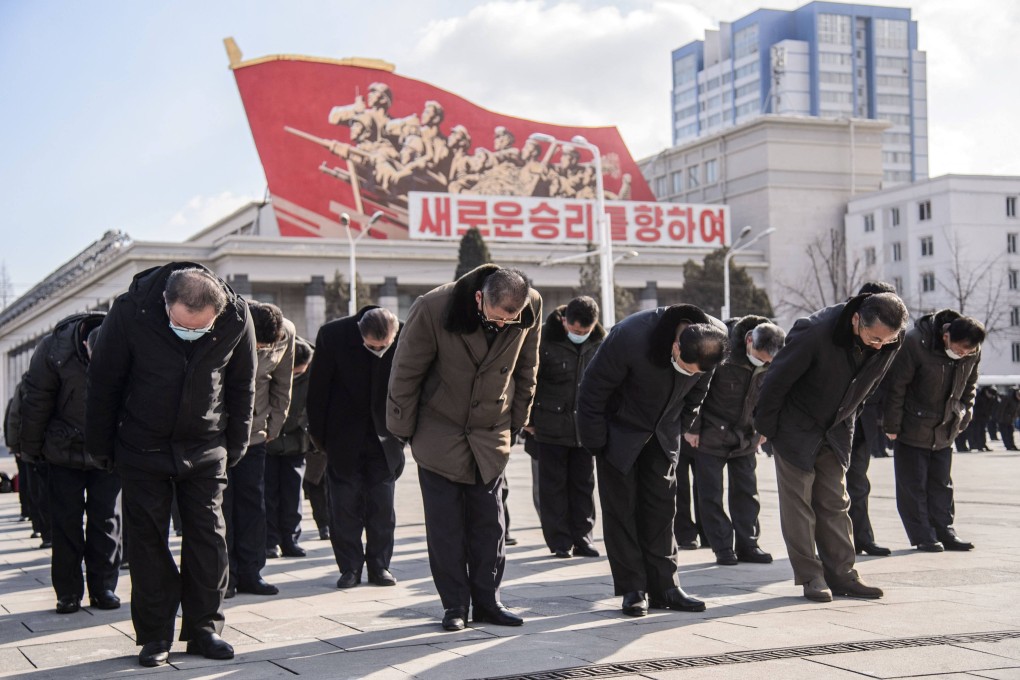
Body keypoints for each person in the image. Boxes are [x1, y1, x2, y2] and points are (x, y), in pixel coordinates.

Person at [86, 263, 256, 667]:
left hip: (205, 445)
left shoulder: (236, 316)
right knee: (146, 542)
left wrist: (235, 445)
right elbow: (104, 381)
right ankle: (155, 634)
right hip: (142, 445)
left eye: (200, 329)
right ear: (166, 305)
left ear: (217, 311)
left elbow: (242, 382)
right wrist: (101, 446)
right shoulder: (130, 312)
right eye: (182, 326)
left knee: (209, 538)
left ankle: (204, 628)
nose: (190, 334)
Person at [387, 265, 541, 631]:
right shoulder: (433, 307)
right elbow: (406, 371)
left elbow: (528, 367)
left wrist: (517, 420)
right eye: (497, 317)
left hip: (491, 432)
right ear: (479, 298)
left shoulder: (531, 306)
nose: (504, 325)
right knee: (446, 528)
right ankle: (455, 605)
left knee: (491, 525)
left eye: (512, 319)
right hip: (440, 431)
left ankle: (489, 601)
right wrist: (403, 431)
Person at [755, 292, 907, 603]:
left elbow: (871, 382)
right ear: (856, 320)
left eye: (886, 341)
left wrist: (850, 416)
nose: (879, 345)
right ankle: (811, 576)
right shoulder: (813, 331)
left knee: (836, 502)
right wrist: (769, 430)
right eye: (874, 337)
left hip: (837, 427)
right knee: (799, 506)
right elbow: (776, 380)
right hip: (795, 426)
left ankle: (844, 574)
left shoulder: (891, 339)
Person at [578, 304, 728, 617]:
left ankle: (666, 587)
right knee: (622, 512)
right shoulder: (631, 336)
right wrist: (597, 444)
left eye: (696, 371)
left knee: (662, 511)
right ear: (675, 346)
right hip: (618, 433)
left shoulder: (713, 340)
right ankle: (633, 589)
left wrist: (679, 430)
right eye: (685, 366)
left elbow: (697, 396)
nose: (691, 374)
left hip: (664, 436)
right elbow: (592, 390)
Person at [19, 313, 121, 615]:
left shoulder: (123, 344)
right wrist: (31, 451)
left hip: (108, 451)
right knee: (65, 523)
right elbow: (35, 401)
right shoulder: (53, 349)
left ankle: (103, 588)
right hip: (62, 450)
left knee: (107, 522)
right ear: (85, 347)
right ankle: (68, 593)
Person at [308, 307, 405, 589]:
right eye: (371, 347)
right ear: (359, 334)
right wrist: (320, 438)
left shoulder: (405, 334)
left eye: (383, 347)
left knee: (382, 506)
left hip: (387, 438)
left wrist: (405, 434)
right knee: (344, 506)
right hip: (342, 437)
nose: (378, 351)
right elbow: (318, 391)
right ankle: (349, 567)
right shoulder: (333, 335)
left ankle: (380, 567)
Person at [883, 311, 984, 552]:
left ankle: (945, 530)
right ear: (946, 336)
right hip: (912, 424)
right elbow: (897, 386)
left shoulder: (973, 351)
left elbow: (970, 386)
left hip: (946, 426)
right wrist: (892, 425)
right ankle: (922, 534)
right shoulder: (916, 342)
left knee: (941, 483)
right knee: (913, 484)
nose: (963, 355)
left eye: (967, 353)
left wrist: (964, 415)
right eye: (959, 350)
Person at [689, 316, 785, 566]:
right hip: (710, 431)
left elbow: (771, 396)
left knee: (747, 492)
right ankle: (722, 546)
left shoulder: (772, 359)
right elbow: (695, 390)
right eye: (760, 356)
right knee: (710, 494)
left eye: (767, 361)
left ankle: (748, 544)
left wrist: (763, 427)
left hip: (746, 435)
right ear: (749, 340)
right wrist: (692, 428)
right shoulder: (720, 348)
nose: (763, 362)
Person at [525, 296, 605, 559]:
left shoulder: (600, 343)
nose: (580, 335)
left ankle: (584, 538)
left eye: (585, 331)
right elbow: (528, 380)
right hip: (548, 426)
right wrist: (527, 420)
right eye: (575, 330)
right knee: (553, 487)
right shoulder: (544, 339)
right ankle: (560, 541)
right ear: (564, 320)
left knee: (583, 486)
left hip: (584, 428)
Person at [224, 301, 294, 598]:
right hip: (220, 433)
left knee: (253, 504)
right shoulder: (226, 329)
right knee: (222, 507)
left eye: (269, 345)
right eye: (259, 344)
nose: (264, 348)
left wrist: (274, 426)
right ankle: (224, 575)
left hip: (256, 434)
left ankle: (252, 572)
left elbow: (282, 383)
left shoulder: (286, 333)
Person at [847, 281, 898, 558]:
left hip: (862, 424)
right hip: (831, 424)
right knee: (828, 489)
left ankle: (862, 538)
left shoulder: (889, 338)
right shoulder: (842, 330)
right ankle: (833, 544)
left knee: (858, 483)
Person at [265, 338, 314, 559]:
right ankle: (270, 541)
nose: (295, 376)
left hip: (296, 443)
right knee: (268, 494)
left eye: (300, 373)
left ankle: (291, 539)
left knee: (292, 495)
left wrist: (303, 427)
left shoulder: (313, 372)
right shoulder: (272, 365)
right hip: (268, 441)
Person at [993, 387, 1020, 451]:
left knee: (1010, 433)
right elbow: (1001, 409)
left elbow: (1017, 410)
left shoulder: (1017, 400)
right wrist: (1000, 418)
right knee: (1005, 433)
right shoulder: (1007, 398)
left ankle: (1012, 445)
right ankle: (1008, 446)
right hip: (1003, 419)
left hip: (1010, 419)